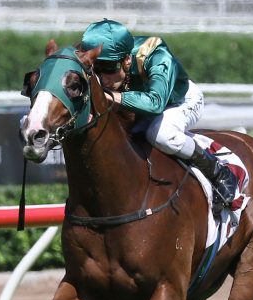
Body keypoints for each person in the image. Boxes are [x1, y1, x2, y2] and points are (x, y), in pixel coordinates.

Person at [78, 19, 238, 213]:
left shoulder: (155, 54)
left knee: (160, 134)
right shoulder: (99, 57)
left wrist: (109, 96)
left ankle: (217, 171)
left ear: (127, 60)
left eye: (109, 68)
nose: (102, 78)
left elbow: (155, 103)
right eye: (96, 69)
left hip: (178, 101)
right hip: (138, 107)